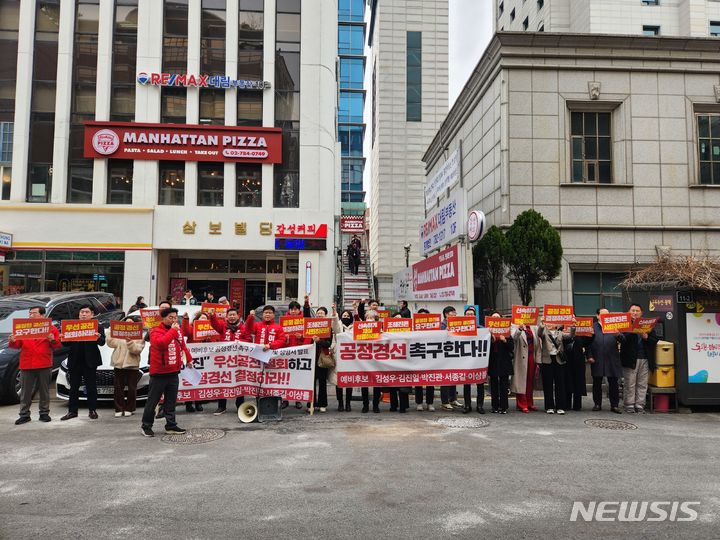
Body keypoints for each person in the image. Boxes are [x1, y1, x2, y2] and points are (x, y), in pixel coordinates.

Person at [141, 307, 193, 437]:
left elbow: (182, 346)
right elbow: (161, 344)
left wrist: (189, 360)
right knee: (153, 401)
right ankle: (146, 425)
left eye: (175, 317)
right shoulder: (155, 331)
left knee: (171, 401)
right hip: (159, 373)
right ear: (163, 318)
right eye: (171, 317)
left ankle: (171, 425)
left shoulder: (177, 330)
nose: (174, 320)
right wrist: (173, 331)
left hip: (173, 371)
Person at [10, 306, 60, 425]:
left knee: (44, 391)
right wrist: (12, 340)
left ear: (42, 315)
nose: (31, 315)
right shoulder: (23, 328)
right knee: (25, 392)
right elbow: (16, 345)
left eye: (34, 313)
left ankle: (44, 413)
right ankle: (24, 414)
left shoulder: (51, 328)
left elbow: (57, 345)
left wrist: (52, 339)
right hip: (27, 363)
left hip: (44, 363)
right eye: (30, 313)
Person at [61, 305, 106, 421]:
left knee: (91, 387)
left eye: (86, 312)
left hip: (90, 361)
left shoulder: (97, 326)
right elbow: (66, 344)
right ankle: (72, 411)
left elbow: (102, 343)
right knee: (73, 387)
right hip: (75, 361)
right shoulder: (72, 327)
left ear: (92, 314)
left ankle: (92, 410)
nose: (84, 314)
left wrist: (98, 338)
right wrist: (63, 338)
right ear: (79, 314)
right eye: (82, 312)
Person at [207, 307, 255, 415]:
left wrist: (238, 344)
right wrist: (212, 315)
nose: (232, 317)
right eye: (230, 315)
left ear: (238, 316)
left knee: (240, 382)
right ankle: (221, 406)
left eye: (234, 315)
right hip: (225, 361)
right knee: (223, 382)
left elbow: (247, 340)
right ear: (226, 317)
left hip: (239, 361)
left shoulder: (243, 328)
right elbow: (215, 324)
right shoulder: (223, 327)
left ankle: (240, 406)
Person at [181, 311, 224, 413]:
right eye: (201, 318)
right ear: (197, 319)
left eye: (205, 318)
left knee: (201, 380)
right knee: (191, 379)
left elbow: (216, 343)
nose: (203, 320)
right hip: (194, 358)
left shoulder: (212, 330)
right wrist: (186, 320)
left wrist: (209, 340)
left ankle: (198, 402)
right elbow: (185, 332)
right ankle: (188, 403)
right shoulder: (192, 328)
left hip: (206, 360)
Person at [620, 304, 659, 414]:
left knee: (642, 383)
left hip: (645, 358)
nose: (635, 313)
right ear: (629, 312)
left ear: (641, 313)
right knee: (630, 383)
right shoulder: (625, 324)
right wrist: (631, 331)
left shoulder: (647, 324)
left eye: (637, 311)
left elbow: (654, 340)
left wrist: (647, 337)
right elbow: (621, 339)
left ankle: (640, 405)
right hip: (630, 359)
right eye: (633, 310)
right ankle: (629, 405)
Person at [587, 308, 624, 414]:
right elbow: (588, 343)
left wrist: (618, 335)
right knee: (597, 382)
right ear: (597, 315)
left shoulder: (614, 326)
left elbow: (623, 340)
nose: (605, 317)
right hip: (597, 358)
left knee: (613, 382)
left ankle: (614, 405)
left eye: (607, 315)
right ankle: (597, 404)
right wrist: (589, 355)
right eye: (603, 315)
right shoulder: (592, 327)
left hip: (612, 358)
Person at [107, 317, 145, 417]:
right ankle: (118, 408)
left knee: (132, 388)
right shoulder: (119, 334)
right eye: (126, 323)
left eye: (131, 323)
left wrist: (130, 342)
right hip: (118, 364)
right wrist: (111, 331)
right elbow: (111, 344)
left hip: (132, 365)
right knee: (118, 388)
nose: (128, 325)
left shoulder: (139, 335)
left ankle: (130, 408)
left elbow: (137, 350)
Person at [286, 298, 313, 409]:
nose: (293, 311)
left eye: (296, 309)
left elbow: (308, 336)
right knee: (286, 378)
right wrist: (285, 338)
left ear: (299, 310)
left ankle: (298, 399)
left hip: (299, 353)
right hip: (287, 352)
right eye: (291, 309)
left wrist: (301, 337)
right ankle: (285, 400)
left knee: (298, 377)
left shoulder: (304, 320)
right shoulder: (284, 321)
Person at [537, 318, 568, 415]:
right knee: (548, 384)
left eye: (553, 322)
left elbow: (571, 335)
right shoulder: (544, 332)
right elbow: (539, 333)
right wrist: (542, 323)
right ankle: (549, 406)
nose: (550, 323)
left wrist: (574, 325)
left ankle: (560, 407)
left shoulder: (560, 333)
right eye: (548, 322)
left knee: (560, 384)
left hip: (558, 360)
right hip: (547, 360)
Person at [511, 320, 541, 413]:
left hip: (532, 356)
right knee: (521, 380)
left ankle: (529, 403)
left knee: (530, 380)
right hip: (520, 357)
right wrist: (519, 329)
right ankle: (521, 404)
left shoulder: (533, 327)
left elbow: (538, 341)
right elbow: (514, 337)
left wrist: (542, 324)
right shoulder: (514, 326)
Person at [486, 312, 513, 414]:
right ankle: (494, 406)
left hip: (504, 361)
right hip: (493, 361)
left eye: (497, 317)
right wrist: (491, 340)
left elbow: (511, 347)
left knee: (504, 385)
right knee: (493, 385)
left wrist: (505, 340)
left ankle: (504, 407)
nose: (495, 319)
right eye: (493, 318)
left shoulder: (507, 332)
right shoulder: (487, 332)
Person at [462, 306, 486, 414]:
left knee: (480, 383)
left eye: (472, 314)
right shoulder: (460, 328)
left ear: (475, 316)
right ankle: (467, 405)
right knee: (466, 383)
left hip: (478, 359)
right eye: (468, 314)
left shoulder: (481, 329)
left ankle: (480, 405)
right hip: (465, 359)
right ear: (464, 316)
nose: (470, 316)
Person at [563, 323, 591, 411]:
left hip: (578, 360)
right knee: (567, 381)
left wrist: (591, 335)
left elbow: (587, 342)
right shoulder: (562, 329)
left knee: (578, 382)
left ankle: (577, 405)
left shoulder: (582, 329)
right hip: (566, 359)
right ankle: (567, 404)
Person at [332, 306, 355, 411]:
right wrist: (334, 312)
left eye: (347, 316)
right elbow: (335, 326)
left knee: (349, 380)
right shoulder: (338, 326)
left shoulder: (355, 326)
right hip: (339, 355)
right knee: (339, 381)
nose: (345, 317)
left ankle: (348, 403)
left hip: (351, 355)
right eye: (344, 315)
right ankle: (340, 403)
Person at [440, 306, 463, 410]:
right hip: (445, 354)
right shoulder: (442, 324)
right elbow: (439, 336)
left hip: (454, 352)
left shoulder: (457, 323)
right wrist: (445, 331)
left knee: (453, 376)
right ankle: (445, 401)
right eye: (452, 313)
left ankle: (453, 399)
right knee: (445, 378)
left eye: (455, 312)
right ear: (446, 314)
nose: (454, 314)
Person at [311, 305, 333, 412]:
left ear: (326, 315)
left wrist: (319, 341)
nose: (319, 315)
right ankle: (312, 404)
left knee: (322, 382)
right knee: (312, 382)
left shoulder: (329, 328)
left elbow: (328, 343)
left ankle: (323, 404)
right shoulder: (311, 327)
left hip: (323, 358)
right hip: (311, 358)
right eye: (318, 313)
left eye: (322, 313)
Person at [414, 308, 435, 411]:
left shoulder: (434, 328)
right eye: (421, 316)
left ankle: (430, 403)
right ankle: (419, 403)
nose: (423, 318)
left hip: (431, 356)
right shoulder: (414, 328)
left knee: (430, 380)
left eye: (425, 316)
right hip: (418, 355)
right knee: (418, 381)